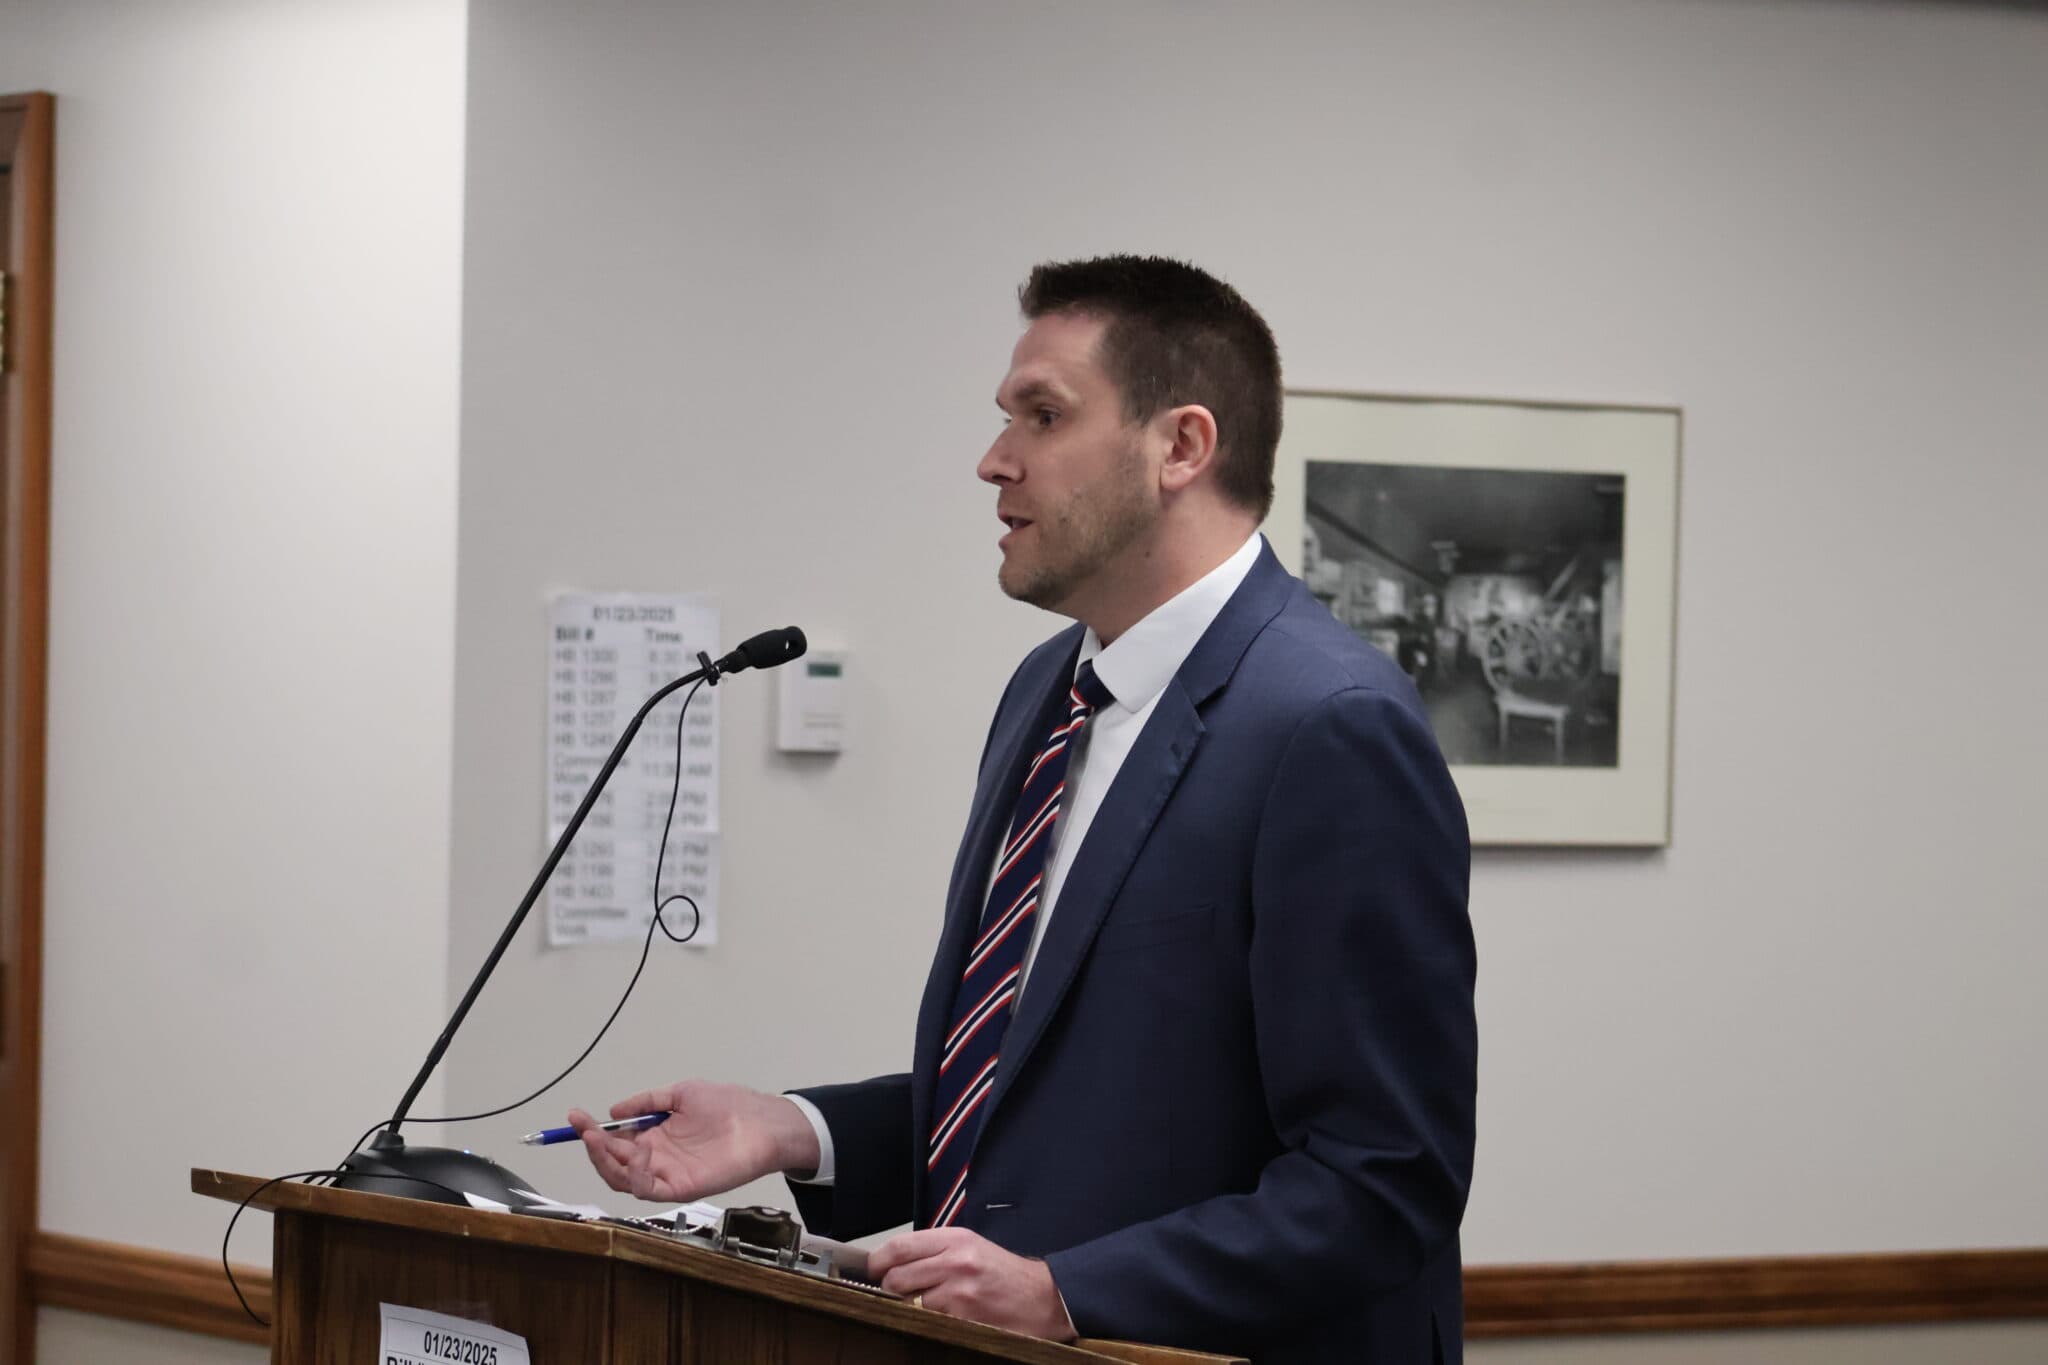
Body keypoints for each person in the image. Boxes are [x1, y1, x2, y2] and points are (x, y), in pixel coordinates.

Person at [571, 256, 1476, 1363]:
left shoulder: (1328, 724)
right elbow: (1059, 1094)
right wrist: (789, 1130)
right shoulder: (1046, 692)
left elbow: (1382, 1182)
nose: (994, 462)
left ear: (1179, 448)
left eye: (1042, 416)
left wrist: (1066, 1293)